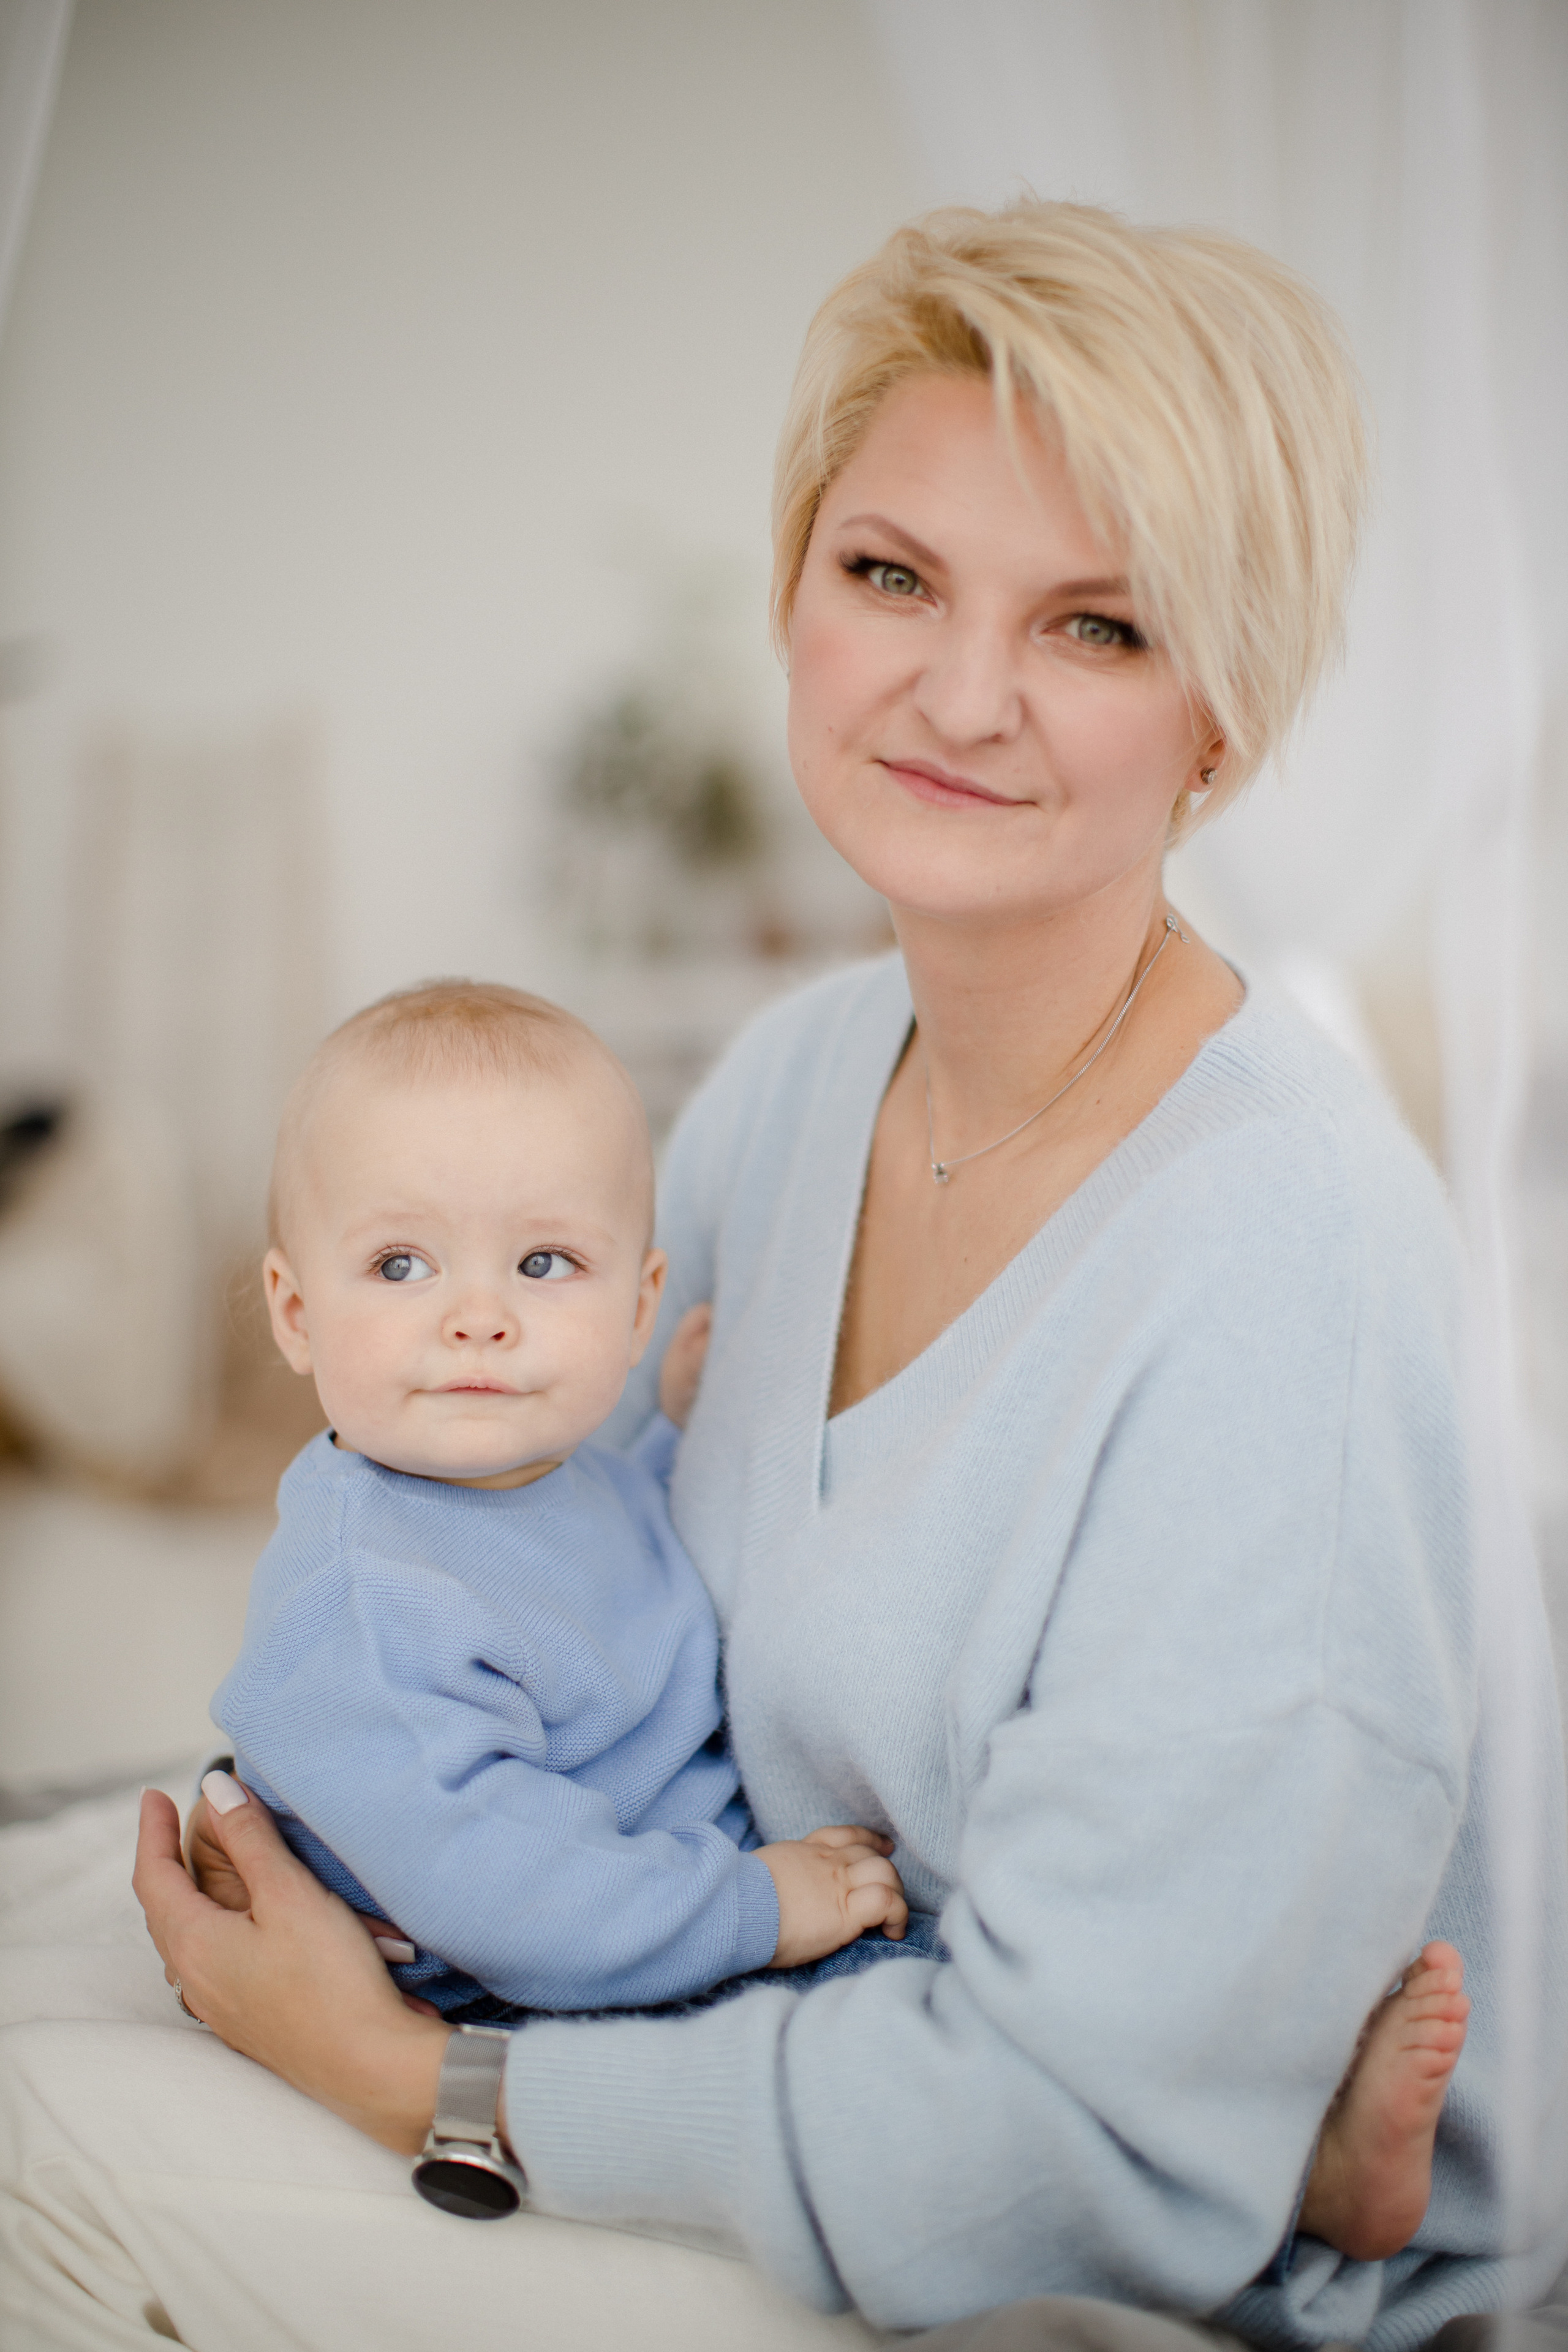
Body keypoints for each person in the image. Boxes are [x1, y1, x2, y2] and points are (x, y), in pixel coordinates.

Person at [4, 200, 1566, 2352]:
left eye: (1097, 625)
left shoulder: (1289, 1276)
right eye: (892, 575)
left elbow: (1067, 2138)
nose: (961, 694)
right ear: (793, 595)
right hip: (752, 2040)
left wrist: (419, 2079)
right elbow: (551, 1558)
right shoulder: (791, 1085)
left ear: (1224, 720)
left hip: (1068, 2243)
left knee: (29, 2155)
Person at [206, 974, 908, 2015]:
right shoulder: (367, 1603)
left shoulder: (566, 1475)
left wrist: (690, 1433)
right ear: (297, 1313)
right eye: (401, 1265)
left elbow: (620, 1561)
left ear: (639, 1310)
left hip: (661, 1900)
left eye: (544, 1261)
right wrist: (755, 1907)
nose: (478, 1316)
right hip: (527, 1977)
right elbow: (503, 1887)